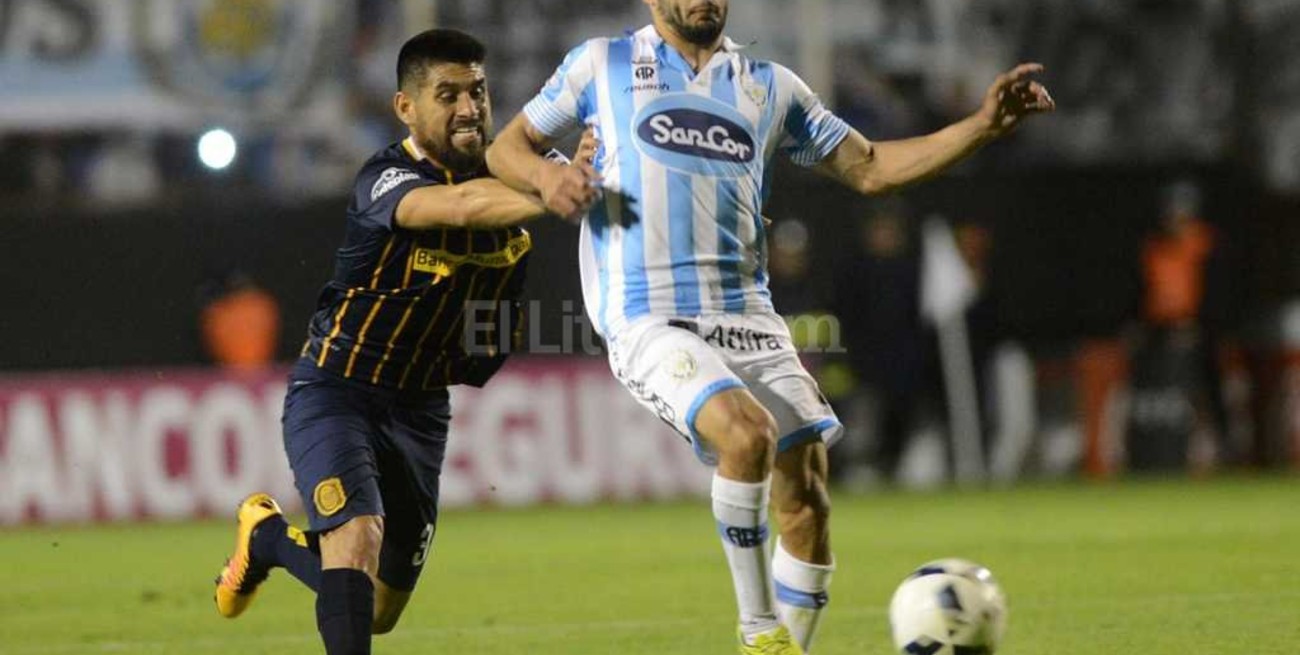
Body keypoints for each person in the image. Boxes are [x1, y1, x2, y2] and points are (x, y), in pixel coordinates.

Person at [486, 1, 1054, 653]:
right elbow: (510, 146)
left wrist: (982, 126)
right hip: (649, 311)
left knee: (806, 496)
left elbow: (870, 167)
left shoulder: (772, 85)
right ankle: (761, 632)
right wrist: (547, 175)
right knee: (745, 433)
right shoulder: (600, 64)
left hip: (747, 315)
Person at [211, 29, 598, 655]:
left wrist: (594, 175)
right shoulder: (386, 177)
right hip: (337, 389)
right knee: (355, 539)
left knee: (382, 608)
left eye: (477, 90)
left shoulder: (528, 172)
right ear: (406, 108)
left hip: (420, 410)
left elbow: (588, 190)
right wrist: (552, 189)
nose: (470, 108)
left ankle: (268, 540)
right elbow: (462, 207)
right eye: (448, 94)